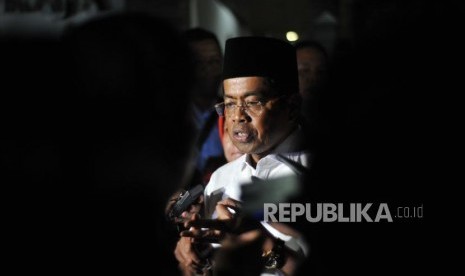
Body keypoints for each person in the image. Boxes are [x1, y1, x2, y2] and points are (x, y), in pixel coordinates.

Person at [174, 36, 311, 275]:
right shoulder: (221, 179)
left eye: (252, 102)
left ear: (292, 107)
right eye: (229, 104)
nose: (237, 116)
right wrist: (193, 260)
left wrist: (262, 242)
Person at [183, 28, 225, 182]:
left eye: (214, 61)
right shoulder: (168, 117)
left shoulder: (232, 113)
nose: (208, 69)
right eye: (198, 62)